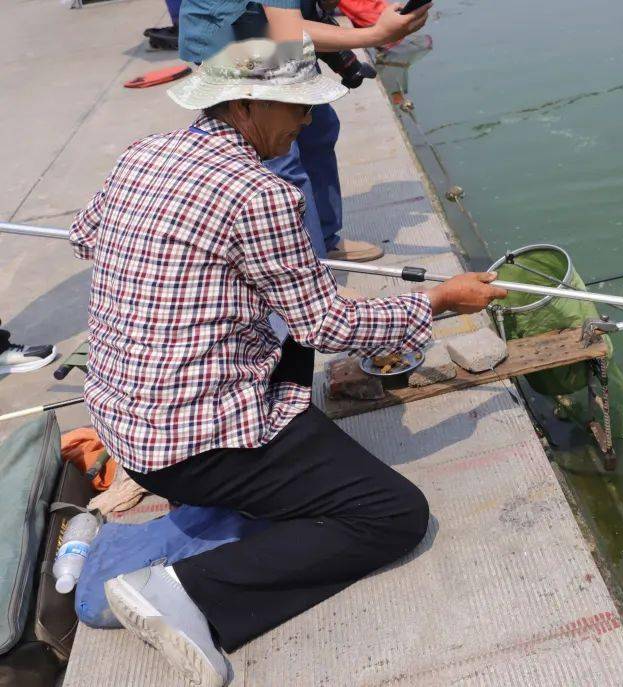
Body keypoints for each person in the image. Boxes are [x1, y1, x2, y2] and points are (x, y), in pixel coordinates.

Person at [70, 37, 505, 687]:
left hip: (125, 420)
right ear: (244, 105)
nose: (305, 122)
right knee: (394, 515)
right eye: (297, 108)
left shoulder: (142, 156)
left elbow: (85, 237)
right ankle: (183, 590)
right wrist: (438, 300)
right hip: (191, 447)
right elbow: (327, 324)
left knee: (287, 331)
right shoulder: (262, 194)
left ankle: (254, 486)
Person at [178, 0, 430, 261]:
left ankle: (324, 237)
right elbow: (289, 33)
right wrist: (376, 34)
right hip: (232, 40)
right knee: (282, 159)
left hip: (274, 27)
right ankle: (309, 268)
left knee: (318, 128)